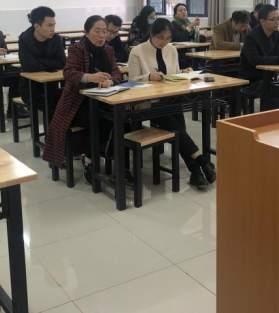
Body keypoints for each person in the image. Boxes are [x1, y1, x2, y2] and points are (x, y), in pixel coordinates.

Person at [128, 18, 216, 188]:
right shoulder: (137, 51)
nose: (164, 42)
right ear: (152, 34)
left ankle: (197, 172)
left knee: (178, 130)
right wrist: (148, 76)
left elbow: (173, 74)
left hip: (169, 98)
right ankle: (202, 162)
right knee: (177, 128)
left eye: (168, 38)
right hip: (147, 102)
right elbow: (131, 81)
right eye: (160, 37)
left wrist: (184, 72)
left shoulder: (171, 50)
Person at [43, 16, 124, 187]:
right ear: (86, 32)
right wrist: (89, 77)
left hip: (103, 100)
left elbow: (117, 73)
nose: (102, 35)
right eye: (97, 31)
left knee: (119, 117)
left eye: (105, 31)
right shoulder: (77, 49)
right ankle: (90, 159)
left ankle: (109, 155)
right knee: (98, 119)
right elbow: (68, 73)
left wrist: (110, 81)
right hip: (77, 103)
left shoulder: (108, 50)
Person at [18, 7, 66, 112]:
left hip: (51, 85)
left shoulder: (57, 39)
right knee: (50, 106)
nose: (53, 29)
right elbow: (29, 66)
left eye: (54, 25)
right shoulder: (24, 39)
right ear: (37, 26)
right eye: (49, 25)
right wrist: (50, 63)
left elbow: (62, 62)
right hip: (30, 88)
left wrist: (38, 61)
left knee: (66, 102)